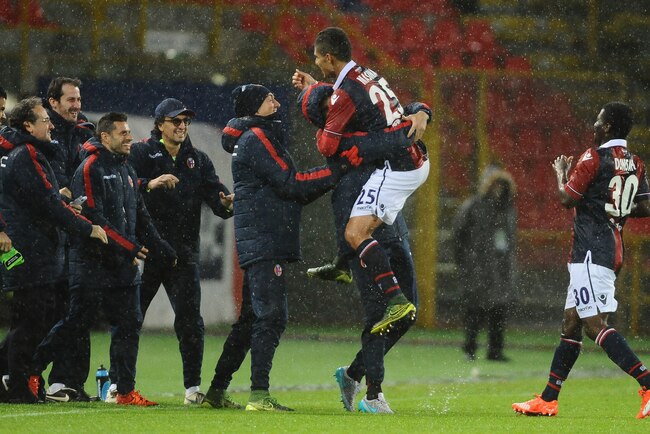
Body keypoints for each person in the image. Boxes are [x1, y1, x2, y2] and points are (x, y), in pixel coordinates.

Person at [292, 27, 430, 413]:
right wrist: (345, 255)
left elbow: (384, 111)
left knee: (407, 312)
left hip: (390, 227)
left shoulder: (360, 130)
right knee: (377, 311)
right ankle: (374, 394)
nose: (335, 104)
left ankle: (352, 374)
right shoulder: (347, 159)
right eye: (329, 106)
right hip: (368, 242)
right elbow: (345, 217)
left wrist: (422, 110)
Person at [203, 84, 341, 412]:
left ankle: (216, 392)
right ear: (254, 107)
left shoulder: (251, 138)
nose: (277, 103)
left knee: (250, 320)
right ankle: (259, 395)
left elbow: (289, 188)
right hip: (265, 239)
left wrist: (327, 177)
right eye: (269, 99)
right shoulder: (257, 138)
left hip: (259, 238)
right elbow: (291, 184)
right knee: (272, 317)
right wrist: (337, 171)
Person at [512, 102, 650, 419]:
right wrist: (613, 207)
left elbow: (567, 198)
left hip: (591, 252)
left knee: (593, 324)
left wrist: (561, 174)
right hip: (610, 248)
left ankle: (647, 383)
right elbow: (645, 207)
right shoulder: (636, 162)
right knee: (571, 323)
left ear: (609, 127)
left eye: (599, 121)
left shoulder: (593, 157)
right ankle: (548, 399)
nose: (594, 125)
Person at [29, 112, 176, 406]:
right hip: (91, 263)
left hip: (123, 265)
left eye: (129, 132)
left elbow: (141, 215)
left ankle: (125, 391)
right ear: (105, 137)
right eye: (123, 133)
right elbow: (94, 217)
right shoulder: (90, 168)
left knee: (129, 325)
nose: (129, 137)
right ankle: (31, 370)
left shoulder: (127, 169)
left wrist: (162, 247)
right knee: (75, 323)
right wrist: (128, 247)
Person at [127, 98, 234, 405]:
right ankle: (121, 387)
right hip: (144, 251)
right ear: (159, 124)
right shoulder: (141, 152)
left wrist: (225, 204)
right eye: (176, 121)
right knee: (130, 320)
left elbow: (216, 197)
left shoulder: (197, 159)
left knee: (190, 323)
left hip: (182, 255)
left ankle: (192, 389)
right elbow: (123, 185)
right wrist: (150, 184)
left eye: (186, 121)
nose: (182, 126)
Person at [0, 97, 107, 403]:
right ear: (28, 125)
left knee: (31, 319)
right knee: (33, 320)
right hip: (32, 250)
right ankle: (17, 386)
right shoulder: (27, 154)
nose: (50, 126)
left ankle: (12, 381)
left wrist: (62, 202)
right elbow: (46, 204)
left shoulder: (22, 153)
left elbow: (42, 199)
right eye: (44, 120)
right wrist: (86, 227)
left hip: (31, 247)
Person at [42, 76, 97, 402]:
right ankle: (26, 374)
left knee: (79, 311)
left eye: (78, 99)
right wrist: (59, 194)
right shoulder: (42, 135)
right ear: (53, 102)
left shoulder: (84, 133)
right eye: (70, 100)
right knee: (49, 312)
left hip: (77, 234)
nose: (77, 106)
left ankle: (71, 381)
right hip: (49, 236)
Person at [453, 166, 517, 362]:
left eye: (502, 186)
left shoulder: (508, 209)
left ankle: (495, 350)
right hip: (478, 267)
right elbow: (458, 235)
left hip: (500, 268)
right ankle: (470, 348)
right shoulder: (473, 206)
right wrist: (465, 262)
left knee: (498, 310)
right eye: (495, 185)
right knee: (475, 309)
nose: (499, 189)